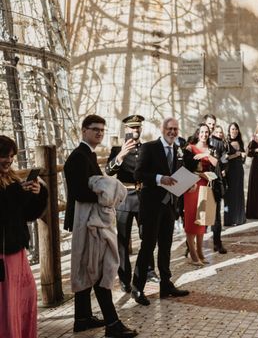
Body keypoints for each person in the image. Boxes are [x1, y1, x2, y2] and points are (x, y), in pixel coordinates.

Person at [64, 115, 137, 337]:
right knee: (97, 270)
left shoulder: (87, 155)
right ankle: (113, 324)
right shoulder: (78, 157)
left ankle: (82, 318)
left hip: (88, 219)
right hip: (87, 221)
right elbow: (78, 191)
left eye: (102, 130)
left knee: (89, 266)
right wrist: (107, 192)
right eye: (94, 129)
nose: (99, 133)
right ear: (84, 130)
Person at [131, 117, 190, 306]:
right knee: (148, 247)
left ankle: (166, 284)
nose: (172, 132)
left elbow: (176, 176)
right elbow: (138, 174)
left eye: (175, 129)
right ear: (162, 129)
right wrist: (159, 179)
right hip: (151, 206)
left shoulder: (176, 149)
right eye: (169, 129)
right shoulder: (149, 147)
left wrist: (186, 185)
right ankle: (137, 288)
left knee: (166, 247)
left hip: (170, 206)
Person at [0, 135, 47, 338]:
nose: (9, 160)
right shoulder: (11, 186)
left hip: (18, 251)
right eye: (4, 156)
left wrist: (37, 194)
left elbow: (28, 215)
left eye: (11, 156)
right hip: (3, 255)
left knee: (24, 300)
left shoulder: (11, 178)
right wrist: (18, 193)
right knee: (8, 307)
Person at [105, 114, 148, 293]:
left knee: (147, 238)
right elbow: (108, 171)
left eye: (137, 127)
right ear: (126, 130)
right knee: (122, 241)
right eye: (132, 128)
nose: (135, 130)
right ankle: (124, 278)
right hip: (124, 198)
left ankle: (146, 272)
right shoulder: (117, 149)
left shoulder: (147, 149)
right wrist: (121, 155)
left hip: (143, 198)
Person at [183, 124, 214, 265]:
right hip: (192, 186)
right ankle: (193, 255)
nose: (204, 134)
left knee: (202, 221)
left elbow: (216, 164)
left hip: (205, 186)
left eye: (206, 132)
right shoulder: (190, 147)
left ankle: (201, 252)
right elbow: (185, 167)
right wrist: (199, 158)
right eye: (202, 132)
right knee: (191, 219)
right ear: (198, 133)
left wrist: (209, 156)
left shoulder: (210, 148)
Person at [209, 125, 228, 253]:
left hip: (216, 182)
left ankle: (217, 242)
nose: (210, 127)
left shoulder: (220, 144)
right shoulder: (196, 142)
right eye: (209, 124)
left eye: (212, 124)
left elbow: (224, 161)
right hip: (201, 182)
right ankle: (191, 247)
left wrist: (223, 170)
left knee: (216, 216)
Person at [224, 122, 246, 226]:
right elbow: (224, 158)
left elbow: (242, 159)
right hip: (230, 171)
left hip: (239, 170)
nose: (234, 131)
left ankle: (239, 219)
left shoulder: (240, 142)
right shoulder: (226, 142)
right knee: (230, 194)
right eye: (232, 129)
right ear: (229, 131)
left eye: (236, 129)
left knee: (239, 193)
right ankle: (230, 220)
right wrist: (236, 154)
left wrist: (243, 156)